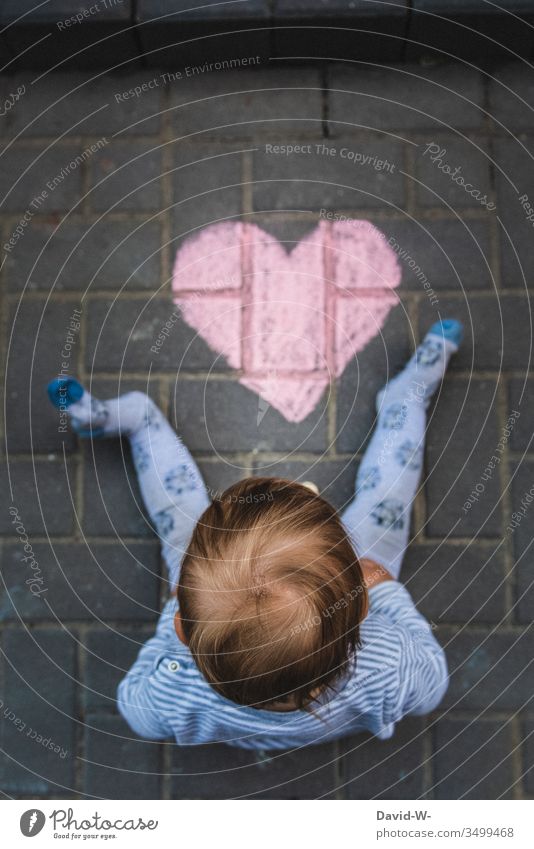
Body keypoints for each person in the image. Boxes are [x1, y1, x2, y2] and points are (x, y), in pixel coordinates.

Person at [47, 318, 462, 749]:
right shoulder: (386, 663)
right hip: (337, 588)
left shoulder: (176, 688)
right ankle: (405, 401)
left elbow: (136, 709)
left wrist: (170, 647)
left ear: (184, 627)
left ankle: (133, 420)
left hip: (213, 610)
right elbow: (431, 685)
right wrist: (385, 590)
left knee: (177, 505)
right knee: (388, 497)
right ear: (359, 607)